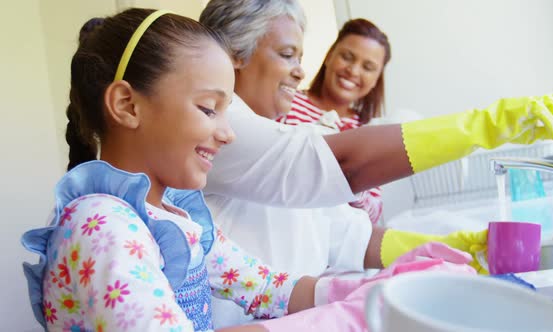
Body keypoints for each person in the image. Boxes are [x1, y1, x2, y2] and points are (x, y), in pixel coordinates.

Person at [21, 8, 417, 331]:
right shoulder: (104, 226)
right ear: (127, 105)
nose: (227, 134)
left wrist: (371, 291)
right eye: (209, 109)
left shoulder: (174, 213)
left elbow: (266, 287)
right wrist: (342, 317)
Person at [199, 0, 553, 327]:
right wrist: (485, 127)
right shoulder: (219, 122)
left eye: (301, 57)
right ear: (233, 55)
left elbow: (352, 237)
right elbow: (333, 165)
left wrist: (451, 248)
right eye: (287, 55)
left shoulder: (272, 133)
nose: (300, 70)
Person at [276, 18, 391, 224]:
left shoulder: (370, 134)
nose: (354, 71)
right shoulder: (286, 101)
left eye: (368, 67)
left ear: (376, 79)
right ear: (329, 56)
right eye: (347, 57)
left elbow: (373, 214)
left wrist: (351, 182)